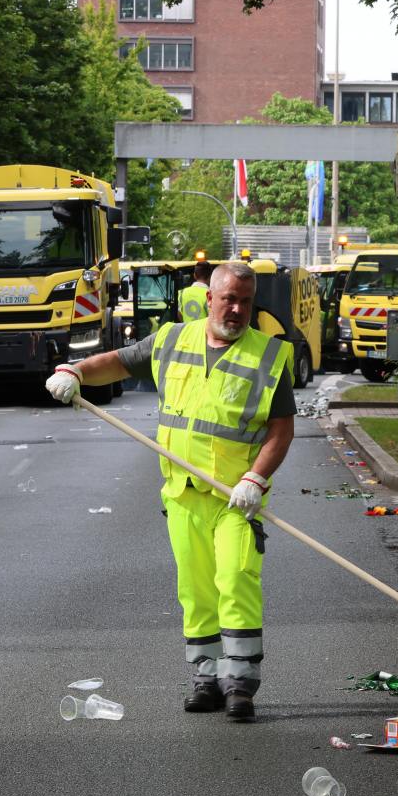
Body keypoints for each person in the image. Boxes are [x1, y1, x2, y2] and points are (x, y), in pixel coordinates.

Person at [45, 262, 295, 722]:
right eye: (229, 299)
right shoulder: (172, 340)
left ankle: (239, 683)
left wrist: (255, 479)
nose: (236, 309)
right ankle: (206, 678)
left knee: (237, 579)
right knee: (196, 591)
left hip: (234, 500)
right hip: (182, 495)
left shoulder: (270, 356)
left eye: (245, 301)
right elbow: (118, 363)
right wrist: (76, 371)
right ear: (210, 298)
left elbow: (281, 431)